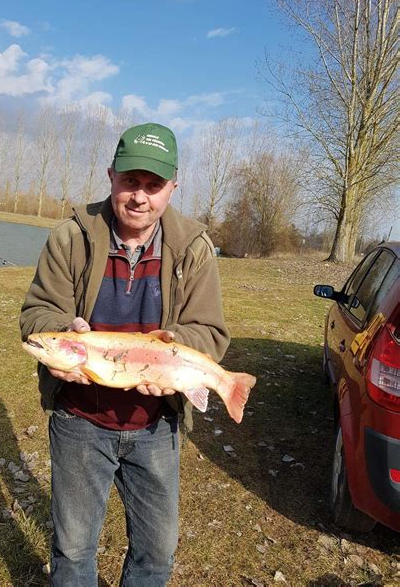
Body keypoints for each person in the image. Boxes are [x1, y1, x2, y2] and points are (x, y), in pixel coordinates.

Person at [20, 122, 253, 586]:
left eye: (153, 185)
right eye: (130, 181)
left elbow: (210, 331)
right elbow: (36, 316)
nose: (139, 196)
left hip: (156, 424)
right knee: (72, 549)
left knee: (156, 552)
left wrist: (173, 346)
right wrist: (62, 330)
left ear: (173, 186)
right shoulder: (71, 237)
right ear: (111, 176)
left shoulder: (194, 249)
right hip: (80, 422)